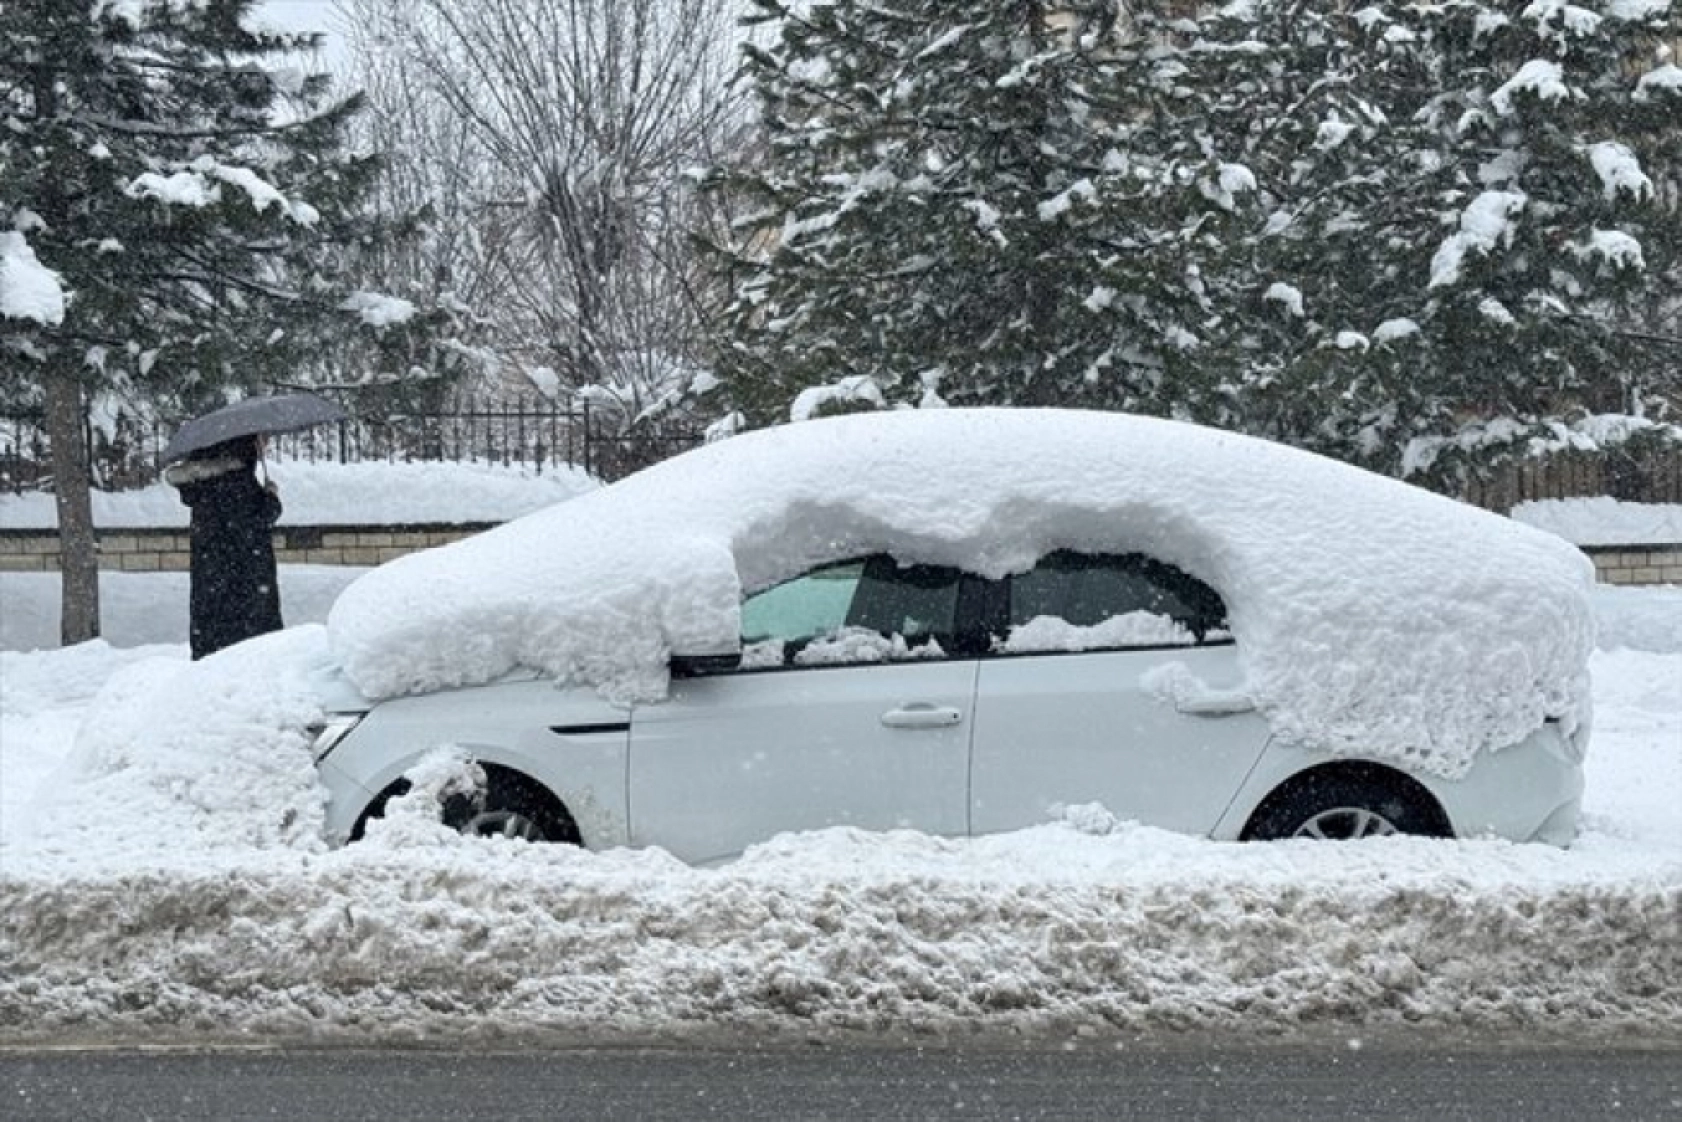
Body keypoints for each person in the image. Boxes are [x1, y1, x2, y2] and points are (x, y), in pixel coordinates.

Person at [163, 435, 284, 659]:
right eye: (261, 440)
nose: (265, 445)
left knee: (213, 633)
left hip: (210, 574)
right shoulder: (239, 481)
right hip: (247, 576)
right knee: (251, 643)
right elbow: (256, 519)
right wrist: (271, 498)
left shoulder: (201, 485)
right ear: (244, 444)